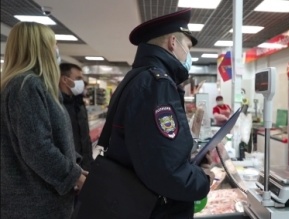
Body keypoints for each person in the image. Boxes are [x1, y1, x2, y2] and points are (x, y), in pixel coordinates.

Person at [100, 8, 214, 218]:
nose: (189, 55)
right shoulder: (156, 85)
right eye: (188, 47)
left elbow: (151, 150)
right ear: (173, 42)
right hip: (155, 209)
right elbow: (166, 171)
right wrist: (203, 179)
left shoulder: (136, 78)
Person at [0, 22, 86, 219]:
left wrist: (76, 169)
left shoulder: (19, 85)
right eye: (54, 43)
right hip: (36, 204)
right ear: (40, 48)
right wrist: (74, 177)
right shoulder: (27, 86)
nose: (57, 50)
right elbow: (38, 148)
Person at [59, 63, 94, 171]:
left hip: (85, 166)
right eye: (78, 78)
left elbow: (85, 137)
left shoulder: (79, 104)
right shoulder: (56, 106)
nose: (81, 83)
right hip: (68, 170)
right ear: (65, 79)